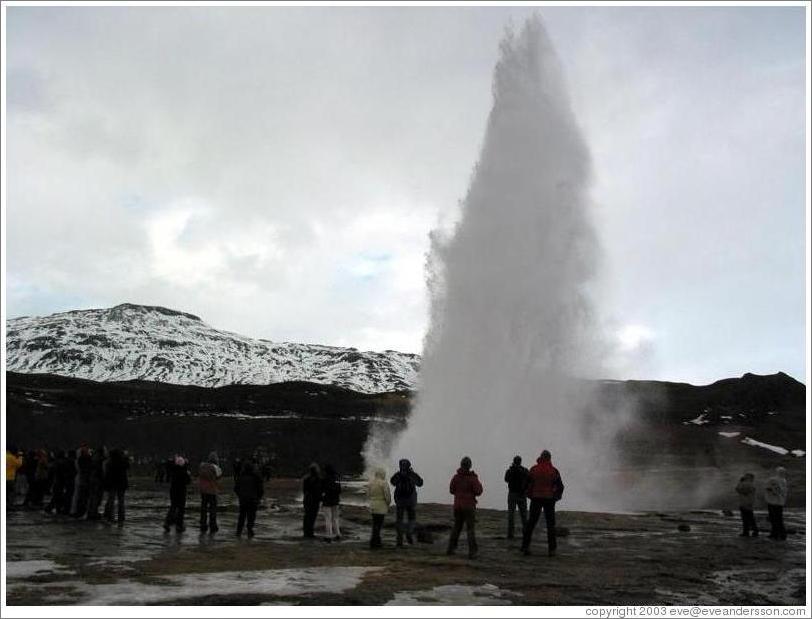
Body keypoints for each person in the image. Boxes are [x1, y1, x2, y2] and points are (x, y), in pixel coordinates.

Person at [521, 450, 564, 557]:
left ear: (541, 457)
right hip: (549, 499)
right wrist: (556, 497)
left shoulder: (534, 469)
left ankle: (525, 546)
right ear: (549, 458)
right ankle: (552, 549)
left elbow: (526, 484)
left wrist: (529, 494)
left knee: (531, 522)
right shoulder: (554, 471)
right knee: (550, 524)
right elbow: (560, 486)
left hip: (536, 498)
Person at [446, 456, 484, 559]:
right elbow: (479, 491)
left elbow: (451, 490)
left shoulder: (456, 477)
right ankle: (472, 552)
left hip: (458, 506)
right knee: (470, 529)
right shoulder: (472, 478)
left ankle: (451, 548)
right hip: (469, 506)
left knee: (457, 527)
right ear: (470, 466)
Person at [390, 458, 424, 547]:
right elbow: (420, 483)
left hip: (400, 501)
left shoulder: (397, 475)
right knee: (411, 519)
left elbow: (392, 482)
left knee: (399, 521)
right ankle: (409, 534)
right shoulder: (412, 474)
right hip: (411, 500)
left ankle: (399, 541)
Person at [235, 459, 264, 538]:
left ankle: (239, 531)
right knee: (251, 516)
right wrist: (259, 498)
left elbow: (236, 488)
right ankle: (249, 530)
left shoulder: (241, 477)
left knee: (242, 516)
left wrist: (240, 496)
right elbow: (260, 489)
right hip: (253, 499)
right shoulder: (256, 477)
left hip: (243, 499)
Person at [164, 455, 192, 533]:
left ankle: (167, 522)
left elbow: (168, 466)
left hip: (173, 490)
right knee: (181, 508)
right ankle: (179, 525)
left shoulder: (174, 470)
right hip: (181, 491)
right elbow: (188, 481)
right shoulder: (184, 471)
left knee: (173, 507)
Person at [504, 455, 529, 539]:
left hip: (513, 494)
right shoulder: (524, 470)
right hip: (521, 494)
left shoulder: (510, 470)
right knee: (524, 515)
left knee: (512, 515)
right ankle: (526, 533)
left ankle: (511, 534)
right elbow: (529, 480)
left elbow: (506, 479)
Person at [103, 448, 130, 525]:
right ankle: (121, 518)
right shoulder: (123, 462)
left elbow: (107, 475)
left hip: (112, 484)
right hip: (121, 484)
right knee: (121, 502)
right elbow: (127, 467)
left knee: (111, 501)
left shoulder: (110, 463)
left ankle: (110, 517)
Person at [198, 451, 223, 535]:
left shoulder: (202, 466)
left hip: (203, 490)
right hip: (212, 490)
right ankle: (213, 525)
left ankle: (203, 525)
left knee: (203, 508)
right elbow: (219, 478)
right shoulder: (215, 467)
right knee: (213, 509)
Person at [367, 467, 391, 549]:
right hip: (381, 505)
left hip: (373, 505)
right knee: (379, 524)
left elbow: (368, 494)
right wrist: (388, 503)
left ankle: (374, 541)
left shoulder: (371, 482)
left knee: (375, 523)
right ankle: (376, 542)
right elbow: (387, 495)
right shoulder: (384, 483)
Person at [764, 466, 788, 540]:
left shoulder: (773, 479)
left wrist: (770, 491)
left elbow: (768, 488)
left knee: (774, 518)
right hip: (780, 502)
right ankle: (779, 534)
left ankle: (777, 534)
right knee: (779, 518)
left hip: (773, 501)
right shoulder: (784, 480)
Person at [321, 464, 342, 541]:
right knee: (336, 518)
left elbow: (322, 489)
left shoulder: (325, 479)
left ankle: (329, 535)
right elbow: (339, 490)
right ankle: (338, 534)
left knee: (328, 518)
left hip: (327, 501)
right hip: (335, 500)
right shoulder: (336, 479)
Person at [86, 446, 108, 520]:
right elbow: (103, 471)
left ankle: (90, 512)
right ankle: (94, 512)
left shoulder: (92, 458)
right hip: (98, 480)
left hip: (92, 479)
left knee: (91, 497)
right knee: (97, 497)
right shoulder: (101, 460)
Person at [71, 444, 93, 517]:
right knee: (82, 496)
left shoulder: (79, 459)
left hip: (81, 478)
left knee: (78, 495)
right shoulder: (84, 459)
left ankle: (76, 510)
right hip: (83, 478)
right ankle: (80, 511)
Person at [301, 463, 322, 538]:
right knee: (312, 517)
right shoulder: (318, 479)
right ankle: (310, 532)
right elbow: (319, 490)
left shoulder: (306, 479)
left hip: (307, 499)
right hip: (314, 500)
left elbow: (304, 490)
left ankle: (306, 532)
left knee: (307, 516)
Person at [735, 472, 758, 537]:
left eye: (746, 476)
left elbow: (737, 489)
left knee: (745, 519)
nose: (744, 477)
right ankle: (754, 531)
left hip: (744, 503)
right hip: (750, 503)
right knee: (751, 518)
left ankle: (746, 532)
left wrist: (740, 482)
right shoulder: (752, 484)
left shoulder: (745, 484)